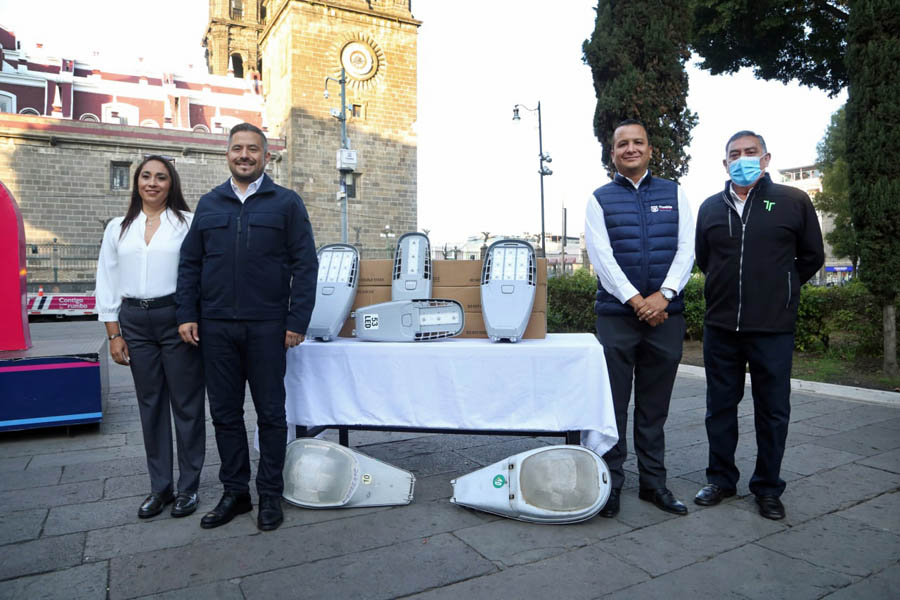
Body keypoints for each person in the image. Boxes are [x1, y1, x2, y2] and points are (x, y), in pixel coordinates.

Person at [176, 122, 317, 532]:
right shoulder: (209, 204)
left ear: (265, 156)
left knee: (272, 414)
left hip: (268, 328)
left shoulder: (286, 203)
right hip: (215, 327)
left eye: (252, 149)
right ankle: (235, 493)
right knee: (224, 414)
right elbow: (190, 264)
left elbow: (305, 266)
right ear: (227, 154)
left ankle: (270, 494)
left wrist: (296, 320)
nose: (244, 155)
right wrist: (187, 313)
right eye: (237, 148)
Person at [694, 131, 824, 520]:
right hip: (720, 327)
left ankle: (768, 487)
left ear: (766, 159)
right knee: (719, 408)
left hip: (773, 327)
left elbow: (812, 256)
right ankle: (720, 479)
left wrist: (779, 288)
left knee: (773, 411)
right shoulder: (709, 208)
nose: (743, 159)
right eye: (735, 154)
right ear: (724, 163)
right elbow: (706, 260)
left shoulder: (792, 202)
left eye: (751, 152)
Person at [585, 119, 695, 518]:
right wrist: (636, 300)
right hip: (618, 316)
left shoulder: (674, 193)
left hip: (665, 316)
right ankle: (609, 484)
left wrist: (663, 296)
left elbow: (687, 248)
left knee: (654, 407)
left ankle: (654, 484)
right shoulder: (600, 199)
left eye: (638, 142)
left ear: (650, 149)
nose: (630, 149)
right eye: (622, 144)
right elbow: (601, 256)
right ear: (612, 152)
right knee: (611, 407)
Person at [96, 156, 205, 520]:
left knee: (187, 405)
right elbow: (107, 279)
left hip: (177, 318)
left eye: (161, 177)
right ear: (136, 182)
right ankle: (160, 487)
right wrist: (114, 333)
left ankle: (188, 487)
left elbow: (199, 273)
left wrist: (194, 315)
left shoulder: (187, 223)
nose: (153, 183)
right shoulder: (118, 228)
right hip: (135, 321)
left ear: (171, 183)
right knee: (151, 404)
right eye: (146, 176)